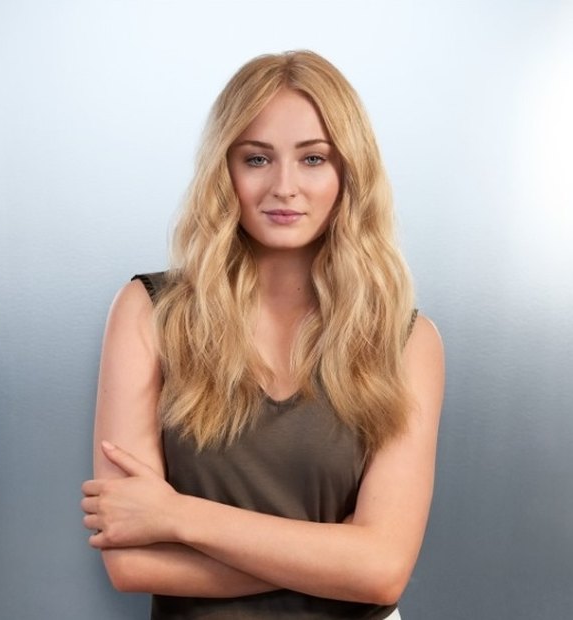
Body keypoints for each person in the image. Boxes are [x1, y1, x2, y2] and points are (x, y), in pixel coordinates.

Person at [81, 50, 444, 620]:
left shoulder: (408, 341)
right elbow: (133, 563)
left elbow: (382, 571)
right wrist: (338, 556)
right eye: (256, 158)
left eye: (313, 159)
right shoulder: (149, 312)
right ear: (223, 171)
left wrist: (178, 516)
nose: (284, 187)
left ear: (349, 173)